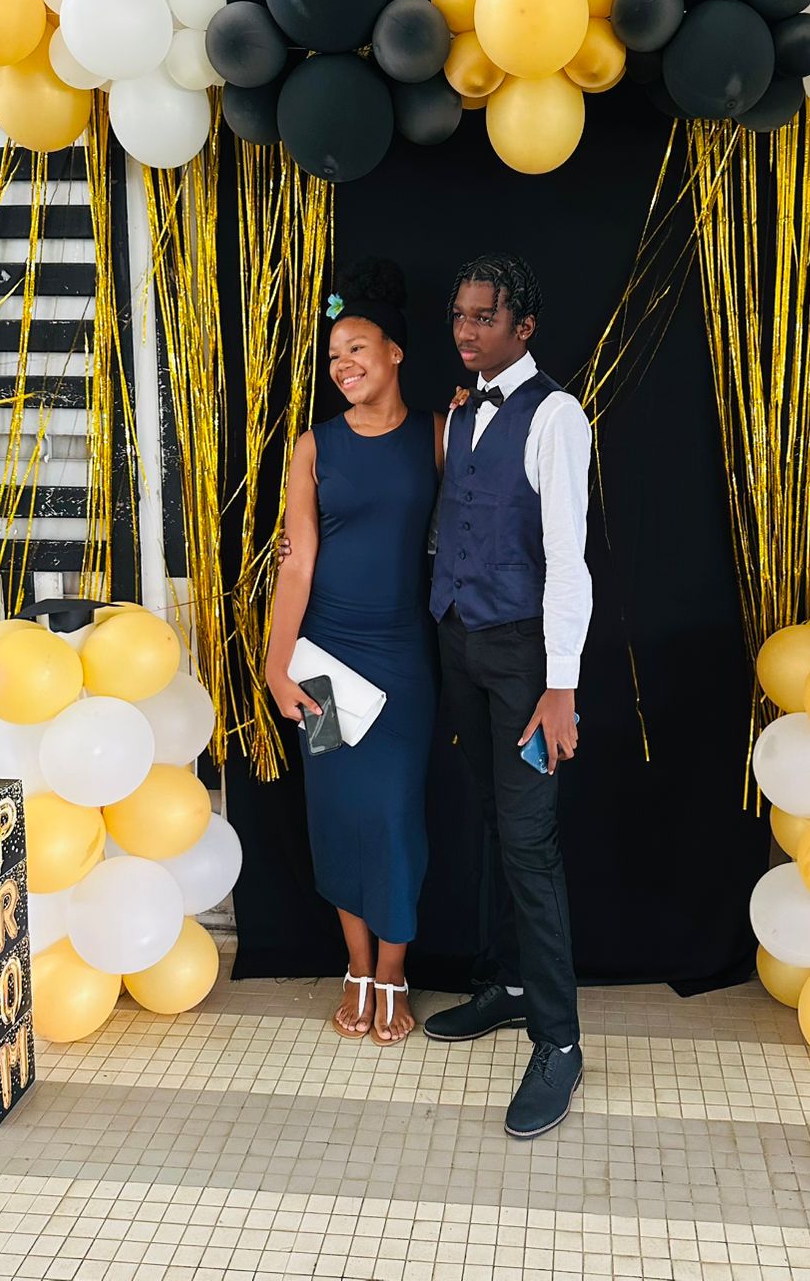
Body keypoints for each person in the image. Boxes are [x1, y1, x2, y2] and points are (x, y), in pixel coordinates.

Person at [425, 252, 592, 1139]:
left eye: (483, 317)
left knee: (530, 844)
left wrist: (561, 686)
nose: (465, 330)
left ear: (523, 327)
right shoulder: (464, 409)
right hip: (460, 642)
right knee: (491, 822)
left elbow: (568, 559)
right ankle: (511, 985)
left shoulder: (556, 415)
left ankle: (559, 1042)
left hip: (526, 660)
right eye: (459, 315)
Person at [265, 258, 443, 1046]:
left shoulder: (438, 435)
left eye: (357, 349)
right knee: (338, 812)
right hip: (325, 658)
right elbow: (297, 562)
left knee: (395, 816)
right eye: (334, 355)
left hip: (403, 659)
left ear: (395, 353)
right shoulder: (314, 446)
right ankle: (357, 966)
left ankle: (395, 970)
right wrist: (275, 665)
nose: (342, 365)